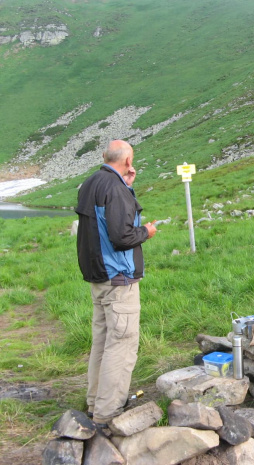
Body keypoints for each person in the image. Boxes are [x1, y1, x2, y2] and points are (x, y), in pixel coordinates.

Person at [76, 140, 157, 426]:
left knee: (102, 341)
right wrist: (146, 232)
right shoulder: (115, 188)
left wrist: (125, 183)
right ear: (127, 160)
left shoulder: (91, 183)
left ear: (104, 157)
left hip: (98, 277)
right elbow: (122, 237)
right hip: (118, 278)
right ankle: (107, 412)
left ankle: (95, 402)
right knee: (121, 344)